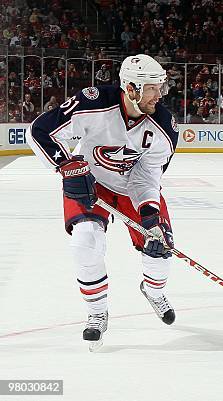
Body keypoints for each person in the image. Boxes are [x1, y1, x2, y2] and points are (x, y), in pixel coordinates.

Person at [26, 54, 179, 349]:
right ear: (131, 88)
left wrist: (150, 215)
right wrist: (66, 166)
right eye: (152, 88)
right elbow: (40, 131)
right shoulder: (93, 103)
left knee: (159, 249)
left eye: (161, 87)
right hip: (89, 182)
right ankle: (97, 312)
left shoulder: (164, 128)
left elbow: (147, 177)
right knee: (85, 242)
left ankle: (153, 290)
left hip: (131, 189)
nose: (159, 95)